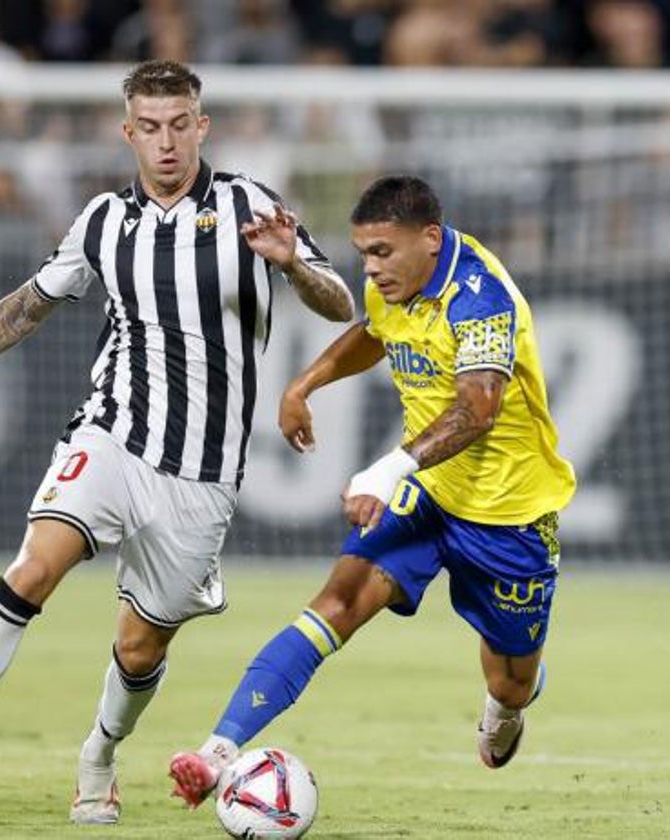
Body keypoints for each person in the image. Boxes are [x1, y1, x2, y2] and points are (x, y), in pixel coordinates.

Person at [0, 59, 354, 825]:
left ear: (202, 127)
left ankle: (99, 753)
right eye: (151, 128)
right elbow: (29, 304)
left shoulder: (249, 205)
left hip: (202, 473)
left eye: (180, 126)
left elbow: (341, 303)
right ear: (128, 132)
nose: (166, 143)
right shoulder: (101, 221)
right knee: (33, 567)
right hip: (113, 432)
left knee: (139, 649)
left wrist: (295, 263)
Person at [168, 175, 576, 806]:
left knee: (511, 679)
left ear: (430, 240)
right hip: (428, 493)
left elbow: (479, 409)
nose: (372, 268)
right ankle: (217, 753)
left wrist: (387, 470)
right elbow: (374, 331)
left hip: (509, 514)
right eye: (363, 253)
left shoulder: (481, 298)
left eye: (383, 251)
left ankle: (511, 701)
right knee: (337, 602)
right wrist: (304, 384)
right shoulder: (397, 282)